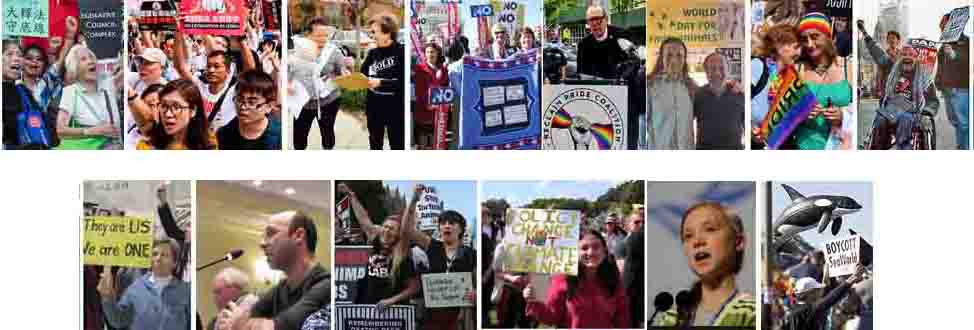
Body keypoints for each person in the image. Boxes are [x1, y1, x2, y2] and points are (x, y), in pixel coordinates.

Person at [218, 211, 331, 330]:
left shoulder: (327, 286)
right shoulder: (280, 290)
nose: (262, 243)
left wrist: (240, 325)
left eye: (271, 233)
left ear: (298, 236)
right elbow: (244, 319)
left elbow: (280, 327)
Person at [655, 202, 755, 327]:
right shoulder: (673, 317)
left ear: (738, 242)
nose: (697, 242)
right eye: (688, 236)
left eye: (710, 229)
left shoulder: (751, 313)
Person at [400, 184, 477, 330]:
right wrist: (414, 200)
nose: (447, 226)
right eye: (443, 223)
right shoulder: (433, 246)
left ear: (461, 229)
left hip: (458, 317)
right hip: (430, 317)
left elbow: (479, 279)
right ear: (439, 228)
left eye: (452, 223)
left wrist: (476, 292)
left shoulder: (470, 254)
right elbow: (406, 230)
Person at [523, 229, 631, 328]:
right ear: (576, 253)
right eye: (584, 248)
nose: (591, 252)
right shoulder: (563, 279)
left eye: (596, 247)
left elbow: (622, 319)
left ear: (604, 250)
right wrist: (534, 300)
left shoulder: (614, 280)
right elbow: (551, 317)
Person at [337, 183, 420, 308]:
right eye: (385, 226)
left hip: (392, 313)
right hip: (367, 307)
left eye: (392, 229)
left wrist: (391, 301)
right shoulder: (375, 241)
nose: (387, 230)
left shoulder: (401, 251)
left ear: (398, 234)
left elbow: (414, 287)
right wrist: (351, 195)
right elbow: (364, 220)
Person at [863, 32, 940, 150]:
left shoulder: (924, 77)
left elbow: (933, 101)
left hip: (912, 111)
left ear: (916, 58)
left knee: (905, 119)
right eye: (904, 54)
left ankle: (903, 147)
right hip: (892, 108)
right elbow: (878, 54)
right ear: (900, 57)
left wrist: (927, 112)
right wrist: (866, 36)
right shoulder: (893, 68)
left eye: (911, 54)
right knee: (880, 120)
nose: (907, 57)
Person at [173, 29, 258, 132]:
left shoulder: (234, 90)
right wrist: (178, 32)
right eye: (208, 66)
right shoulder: (200, 85)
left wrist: (241, 40)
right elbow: (180, 67)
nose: (211, 70)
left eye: (217, 66)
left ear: (228, 70)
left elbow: (250, 71)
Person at [99, 239, 191, 330]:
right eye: (155, 254)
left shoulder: (186, 291)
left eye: (165, 255)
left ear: (174, 263)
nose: (158, 258)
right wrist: (107, 298)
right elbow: (117, 320)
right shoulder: (135, 288)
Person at [795, 13, 853, 150]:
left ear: (828, 36)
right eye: (804, 39)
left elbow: (859, 109)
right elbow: (780, 116)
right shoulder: (797, 69)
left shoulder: (848, 67)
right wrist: (800, 113)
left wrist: (842, 115)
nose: (809, 44)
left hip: (841, 147)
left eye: (815, 37)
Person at [291, 17, 350, 150]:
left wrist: (345, 73)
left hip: (328, 101)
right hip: (303, 103)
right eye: (318, 35)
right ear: (308, 35)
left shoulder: (333, 52)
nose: (323, 39)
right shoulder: (298, 51)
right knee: (299, 137)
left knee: (327, 132)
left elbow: (342, 71)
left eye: (326, 35)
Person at [57, 45, 121, 150]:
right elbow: (60, 130)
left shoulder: (109, 85)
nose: (90, 61)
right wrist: (94, 131)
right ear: (75, 67)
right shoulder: (70, 92)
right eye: (83, 59)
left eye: (91, 57)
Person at [128, 79, 218, 150]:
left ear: (193, 110)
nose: (168, 114)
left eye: (176, 107)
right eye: (164, 106)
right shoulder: (147, 146)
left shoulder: (209, 143)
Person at [752, 24, 802, 148]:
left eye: (800, 48)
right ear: (778, 46)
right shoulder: (758, 65)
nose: (799, 52)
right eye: (795, 47)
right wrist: (750, 128)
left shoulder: (791, 76)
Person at [361, 14, 406, 150]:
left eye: (374, 32)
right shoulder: (372, 53)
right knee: (375, 144)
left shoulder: (401, 52)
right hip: (374, 108)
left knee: (397, 144)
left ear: (388, 33)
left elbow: (402, 83)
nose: (372, 36)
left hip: (395, 109)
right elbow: (362, 76)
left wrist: (380, 82)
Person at [3, 40, 58, 149]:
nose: (16, 58)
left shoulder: (23, 92)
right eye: (9, 54)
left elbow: (50, 133)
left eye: (19, 55)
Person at [781, 265, 866, 330]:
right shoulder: (808, 310)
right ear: (810, 293)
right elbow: (830, 299)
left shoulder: (794, 309)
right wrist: (852, 279)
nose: (819, 291)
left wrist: (826, 274)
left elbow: (825, 296)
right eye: (817, 290)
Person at [647, 37, 696, 150]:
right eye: (669, 55)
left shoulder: (691, 87)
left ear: (684, 59)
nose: (674, 60)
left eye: (679, 55)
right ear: (661, 58)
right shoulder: (650, 86)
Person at [21, 16, 76, 112]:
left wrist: (70, 36)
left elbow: (60, 60)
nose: (34, 61)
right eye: (29, 58)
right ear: (21, 61)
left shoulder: (46, 84)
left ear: (44, 65)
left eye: (39, 59)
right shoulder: (13, 83)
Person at [217, 70, 282, 150]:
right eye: (240, 100)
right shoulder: (223, 134)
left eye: (251, 102)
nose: (243, 107)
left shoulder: (281, 137)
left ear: (269, 106)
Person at [694, 52, 745, 150]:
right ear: (705, 71)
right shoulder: (697, 95)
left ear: (728, 70)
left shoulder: (740, 94)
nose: (717, 73)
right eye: (712, 68)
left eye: (722, 68)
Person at [936, 13, 970, 150]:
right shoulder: (944, 44)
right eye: (941, 25)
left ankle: (964, 148)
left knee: (963, 123)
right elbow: (941, 66)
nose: (941, 27)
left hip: (961, 88)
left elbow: (969, 61)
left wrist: (954, 55)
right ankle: (961, 146)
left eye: (943, 24)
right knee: (955, 121)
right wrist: (938, 80)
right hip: (947, 89)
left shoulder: (967, 41)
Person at [412, 42, 450, 148]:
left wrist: (445, 103)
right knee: (423, 143)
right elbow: (419, 90)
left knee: (436, 142)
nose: (430, 54)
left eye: (432, 52)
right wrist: (429, 104)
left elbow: (446, 88)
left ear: (438, 53)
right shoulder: (420, 68)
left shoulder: (443, 69)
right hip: (424, 111)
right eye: (427, 52)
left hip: (439, 113)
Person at [576, 5, 628, 79]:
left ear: (606, 19)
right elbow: (581, 73)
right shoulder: (583, 44)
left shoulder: (622, 35)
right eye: (591, 21)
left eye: (598, 20)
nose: (595, 24)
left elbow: (633, 63)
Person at [875, 30, 902, 101]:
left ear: (898, 41)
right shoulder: (883, 55)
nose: (891, 40)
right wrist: (879, 89)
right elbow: (879, 72)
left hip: (899, 87)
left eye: (893, 38)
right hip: (886, 85)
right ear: (887, 41)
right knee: (884, 108)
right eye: (889, 38)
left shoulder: (902, 55)